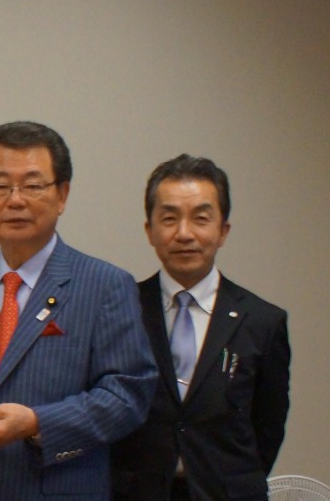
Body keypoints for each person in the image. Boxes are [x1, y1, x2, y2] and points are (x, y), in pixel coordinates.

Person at [0, 121, 158, 501]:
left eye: (32, 186)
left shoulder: (105, 285)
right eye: (0, 186)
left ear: (62, 194)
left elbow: (127, 396)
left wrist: (38, 423)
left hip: (48, 486)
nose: (15, 200)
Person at [111, 154, 291, 500]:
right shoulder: (120, 310)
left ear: (223, 231)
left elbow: (268, 428)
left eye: (201, 218)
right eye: (169, 218)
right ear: (149, 230)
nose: (184, 234)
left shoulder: (262, 321)